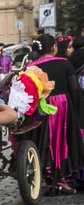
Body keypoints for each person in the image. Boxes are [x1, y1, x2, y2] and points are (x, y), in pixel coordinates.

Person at [31, 34, 84, 191]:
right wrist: (77, 111)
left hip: (42, 108)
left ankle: (49, 177)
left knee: (47, 141)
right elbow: (74, 89)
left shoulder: (32, 67)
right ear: (54, 47)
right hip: (62, 105)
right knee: (64, 140)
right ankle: (64, 178)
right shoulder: (64, 64)